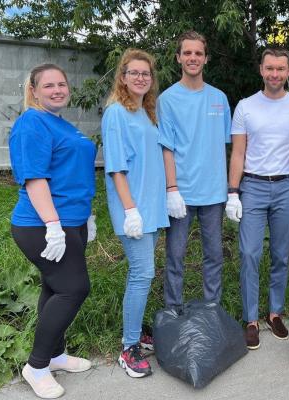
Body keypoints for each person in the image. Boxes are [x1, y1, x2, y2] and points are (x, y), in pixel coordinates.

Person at [9, 63, 97, 399]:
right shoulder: (31, 122)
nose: (58, 90)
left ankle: (56, 355)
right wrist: (54, 225)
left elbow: (74, 173)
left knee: (54, 286)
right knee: (74, 288)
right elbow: (34, 178)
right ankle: (36, 366)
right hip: (40, 224)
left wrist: (85, 217)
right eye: (49, 86)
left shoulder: (62, 124)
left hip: (72, 220)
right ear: (33, 90)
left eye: (62, 84)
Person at [226, 47, 289, 350]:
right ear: (261, 70)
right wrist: (233, 192)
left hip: (288, 185)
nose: (275, 74)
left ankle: (275, 312)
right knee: (249, 253)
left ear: (288, 71)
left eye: (281, 69)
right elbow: (238, 152)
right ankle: (251, 319)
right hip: (253, 185)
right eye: (269, 68)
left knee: (281, 253)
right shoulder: (246, 106)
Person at [101, 49, 169, 379]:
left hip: (152, 207)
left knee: (141, 274)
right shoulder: (116, 113)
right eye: (134, 73)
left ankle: (136, 330)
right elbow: (116, 167)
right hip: (134, 209)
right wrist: (130, 210)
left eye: (146, 73)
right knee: (143, 273)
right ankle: (129, 348)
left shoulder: (147, 111)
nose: (141, 78)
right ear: (123, 77)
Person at [157, 31, 231, 308]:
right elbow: (167, 147)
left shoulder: (219, 98)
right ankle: (173, 310)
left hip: (214, 192)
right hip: (182, 193)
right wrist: (171, 188)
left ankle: (212, 308)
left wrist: (231, 190)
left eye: (198, 53)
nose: (193, 58)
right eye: (187, 53)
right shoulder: (167, 99)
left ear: (206, 58)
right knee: (175, 256)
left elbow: (224, 145)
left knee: (214, 255)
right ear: (178, 58)